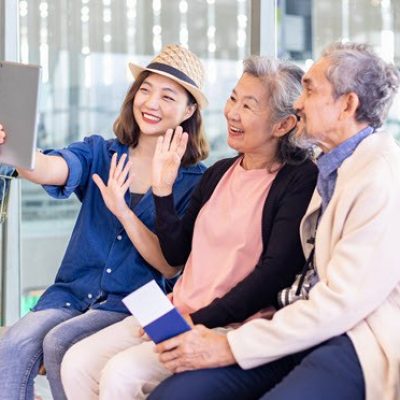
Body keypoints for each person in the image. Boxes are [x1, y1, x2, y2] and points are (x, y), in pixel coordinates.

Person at [148, 42, 400, 400]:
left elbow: (338, 304)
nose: (298, 103)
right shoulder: (328, 165)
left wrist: (229, 345)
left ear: (348, 105)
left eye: (310, 90)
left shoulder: (379, 179)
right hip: (293, 323)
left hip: (351, 335)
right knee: (174, 395)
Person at [61, 56, 318, 399]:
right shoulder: (219, 172)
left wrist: (197, 319)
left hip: (230, 324)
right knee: (76, 362)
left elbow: (272, 275)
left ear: (283, 125)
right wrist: (163, 191)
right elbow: (176, 253)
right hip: (176, 310)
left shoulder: (298, 180)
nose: (233, 113)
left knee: (122, 375)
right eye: (232, 98)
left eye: (248, 105)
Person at [0, 44, 208, 400]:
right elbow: (51, 168)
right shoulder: (102, 152)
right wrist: (14, 146)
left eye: (167, 96)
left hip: (134, 305)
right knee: (13, 344)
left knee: (60, 343)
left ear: (189, 110)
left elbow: (170, 265)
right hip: (71, 294)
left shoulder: (195, 182)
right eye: (145, 89)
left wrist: (123, 211)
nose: (151, 103)